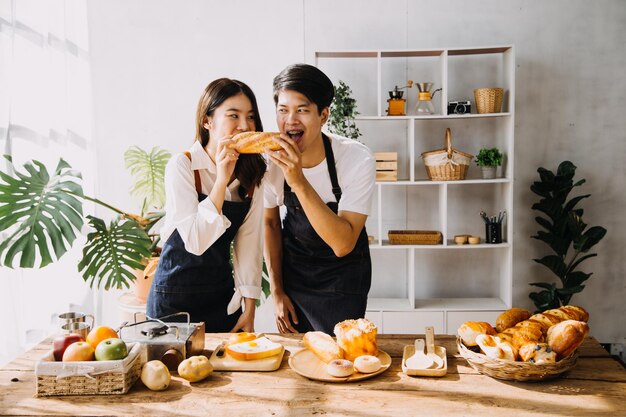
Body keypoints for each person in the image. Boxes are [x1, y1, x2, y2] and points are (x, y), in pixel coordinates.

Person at [263, 64, 376, 334]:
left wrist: (298, 180)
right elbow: (270, 224)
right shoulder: (270, 162)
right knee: (297, 361)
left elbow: (343, 243)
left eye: (302, 110)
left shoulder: (355, 159)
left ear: (323, 115)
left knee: (339, 356)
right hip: (294, 275)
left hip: (342, 281)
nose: (290, 120)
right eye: (283, 110)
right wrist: (277, 292)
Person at [146, 78, 266, 332]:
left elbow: (249, 244)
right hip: (172, 299)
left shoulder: (253, 175)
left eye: (251, 117)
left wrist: (250, 309)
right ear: (207, 121)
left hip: (219, 298)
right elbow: (196, 242)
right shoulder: (183, 166)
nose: (245, 126)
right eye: (233, 116)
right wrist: (221, 180)